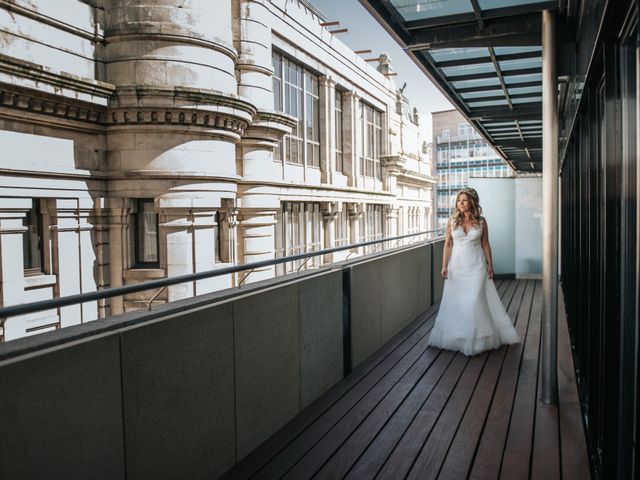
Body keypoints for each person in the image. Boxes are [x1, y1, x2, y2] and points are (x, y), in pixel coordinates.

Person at [427, 188, 520, 356]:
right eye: (458, 200)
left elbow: (485, 244)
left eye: (464, 200)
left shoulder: (481, 221)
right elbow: (448, 244)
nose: (460, 203)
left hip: (477, 266)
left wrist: (490, 265)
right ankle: (459, 337)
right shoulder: (452, 221)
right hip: (457, 267)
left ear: (472, 202)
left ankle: (476, 339)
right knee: (458, 302)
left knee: (475, 299)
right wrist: (444, 266)